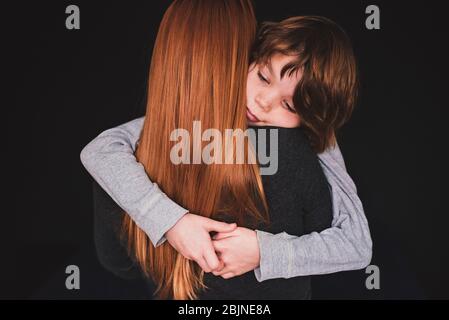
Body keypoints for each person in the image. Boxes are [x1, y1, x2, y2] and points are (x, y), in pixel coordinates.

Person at [81, 1, 372, 299]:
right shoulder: (183, 128)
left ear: (312, 119)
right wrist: (173, 222)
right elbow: (99, 149)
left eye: (288, 105)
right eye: (262, 77)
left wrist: (264, 251)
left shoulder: (310, 141)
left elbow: (357, 244)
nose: (262, 101)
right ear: (251, 59)